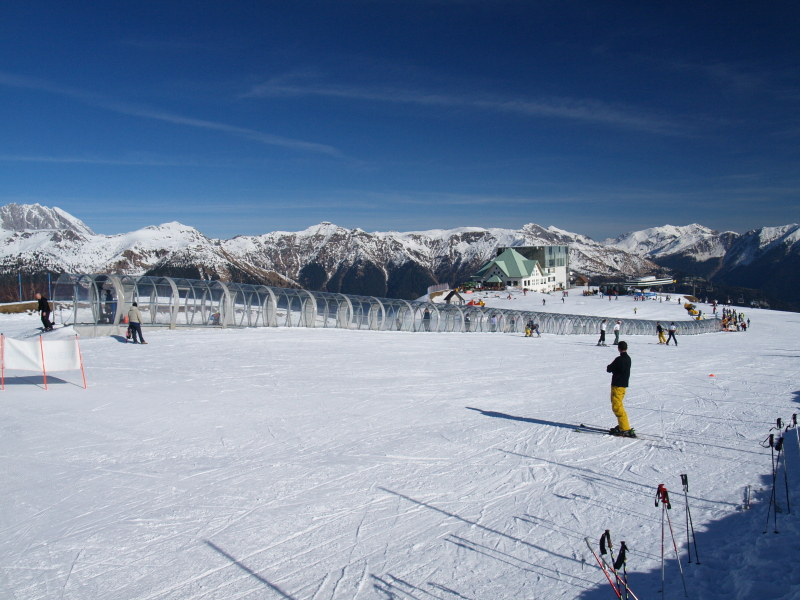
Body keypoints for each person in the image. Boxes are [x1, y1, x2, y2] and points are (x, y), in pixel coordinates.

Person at [606, 341, 635, 437]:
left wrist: (609, 367)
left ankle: (625, 428)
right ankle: (622, 425)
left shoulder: (619, 359)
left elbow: (610, 368)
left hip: (617, 386)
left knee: (617, 407)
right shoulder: (628, 358)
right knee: (618, 405)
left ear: (619, 348)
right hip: (623, 386)